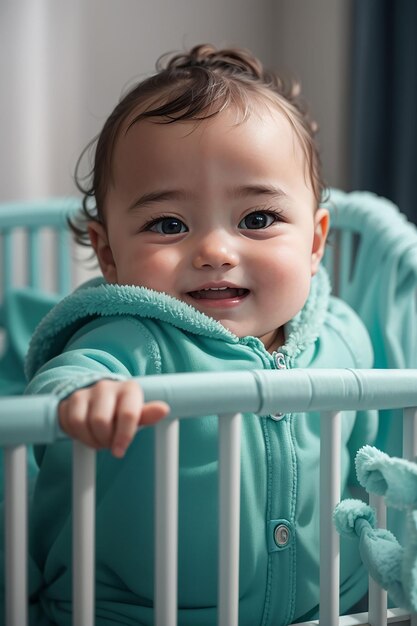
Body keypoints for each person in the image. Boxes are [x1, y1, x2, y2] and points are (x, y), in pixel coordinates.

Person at [23, 44, 376, 625]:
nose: (215, 251)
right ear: (108, 254)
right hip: (128, 613)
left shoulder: (342, 337)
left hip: (329, 610)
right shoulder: (133, 339)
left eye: (257, 220)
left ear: (315, 243)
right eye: (169, 225)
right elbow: (65, 376)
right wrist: (83, 398)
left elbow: (370, 458)